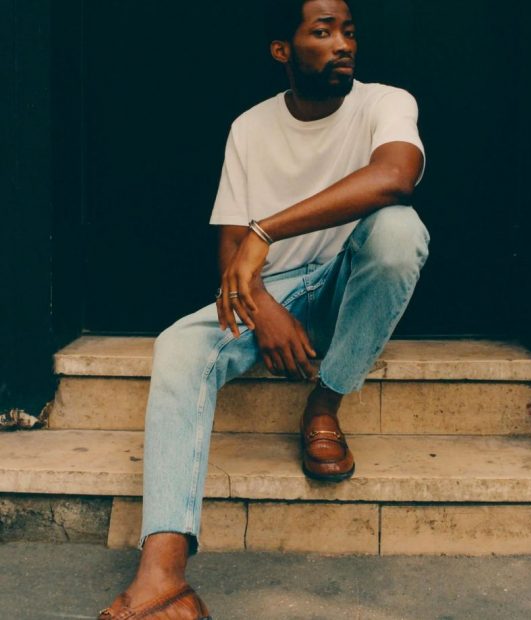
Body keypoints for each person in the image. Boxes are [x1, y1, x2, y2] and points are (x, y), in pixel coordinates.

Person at [98, 0, 430, 618]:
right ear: (283, 49)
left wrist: (265, 231)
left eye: (348, 32)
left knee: (397, 231)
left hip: (346, 279)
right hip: (271, 293)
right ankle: (164, 576)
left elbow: (395, 176)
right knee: (178, 346)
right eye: (322, 32)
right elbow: (230, 251)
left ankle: (326, 399)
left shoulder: (386, 102)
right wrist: (268, 305)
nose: (342, 45)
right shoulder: (249, 127)